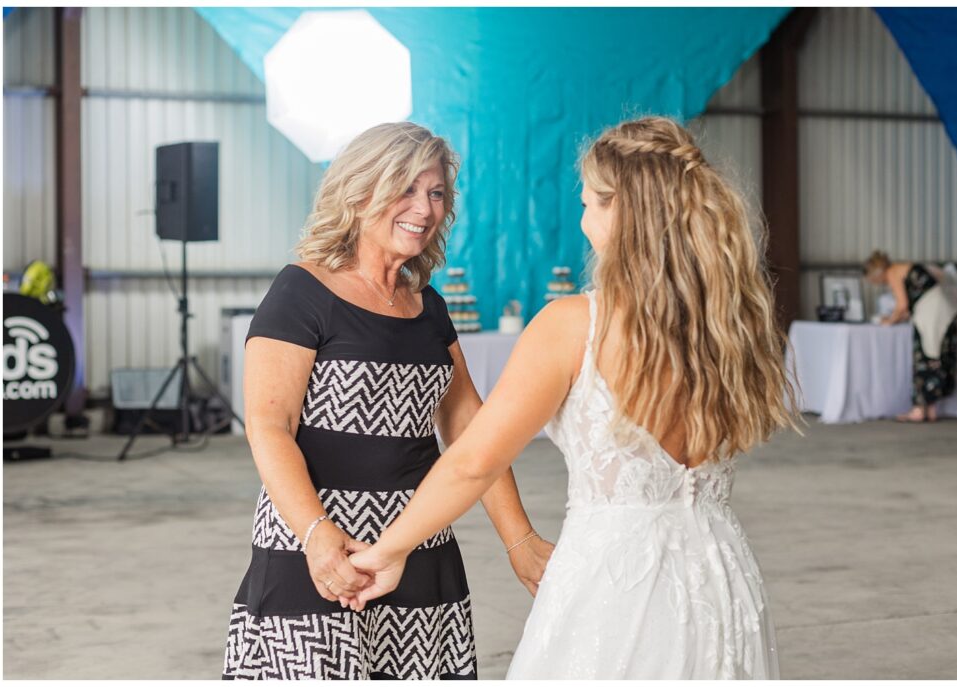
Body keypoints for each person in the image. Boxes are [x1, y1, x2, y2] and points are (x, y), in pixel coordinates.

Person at [345, 116, 801, 679]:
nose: (583, 222)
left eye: (590, 204)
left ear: (623, 212)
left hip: (617, 586)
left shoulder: (573, 325)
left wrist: (387, 551)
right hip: (721, 575)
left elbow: (473, 460)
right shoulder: (728, 327)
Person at [222, 122, 553, 680]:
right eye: (405, 188)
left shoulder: (429, 307)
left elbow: (473, 434)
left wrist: (519, 539)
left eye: (436, 192)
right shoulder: (302, 291)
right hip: (318, 545)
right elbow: (267, 426)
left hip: (419, 542)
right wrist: (316, 533)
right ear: (359, 191)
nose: (423, 208)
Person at [863, 251, 957, 422]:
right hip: (945, 312)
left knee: (924, 358)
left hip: (931, 315)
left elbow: (902, 306)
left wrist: (889, 321)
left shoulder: (893, 272)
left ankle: (918, 410)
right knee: (937, 357)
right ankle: (930, 409)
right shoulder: (905, 267)